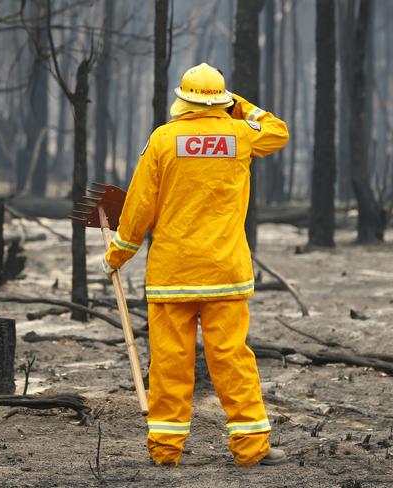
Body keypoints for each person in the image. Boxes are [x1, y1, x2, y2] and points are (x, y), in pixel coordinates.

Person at [103, 62, 289, 467]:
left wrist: (119, 252)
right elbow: (278, 131)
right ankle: (251, 449)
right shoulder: (240, 136)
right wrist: (241, 106)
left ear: (182, 100)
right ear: (222, 100)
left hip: (173, 276)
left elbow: (138, 206)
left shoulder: (164, 140)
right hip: (225, 274)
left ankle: (166, 451)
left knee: (170, 362)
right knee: (233, 359)